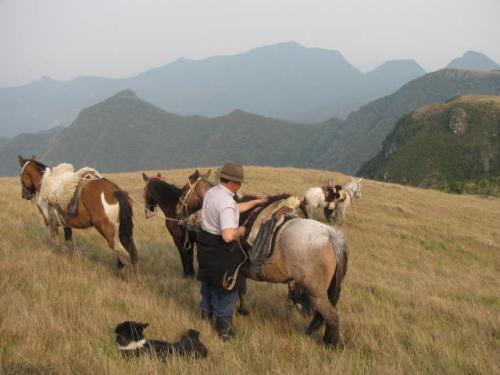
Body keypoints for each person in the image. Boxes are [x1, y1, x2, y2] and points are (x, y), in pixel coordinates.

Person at [196, 161, 266, 341]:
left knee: (209, 279)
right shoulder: (227, 201)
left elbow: (232, 208)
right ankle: (223, 326)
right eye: (240, 183)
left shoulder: (212, 192)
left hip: (205, 245)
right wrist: (242, 231)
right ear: (234, 183)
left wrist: (255, 203)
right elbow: (228, 236)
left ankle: (206, 314)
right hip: (221, 249)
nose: (240, 186)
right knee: (226, 285)